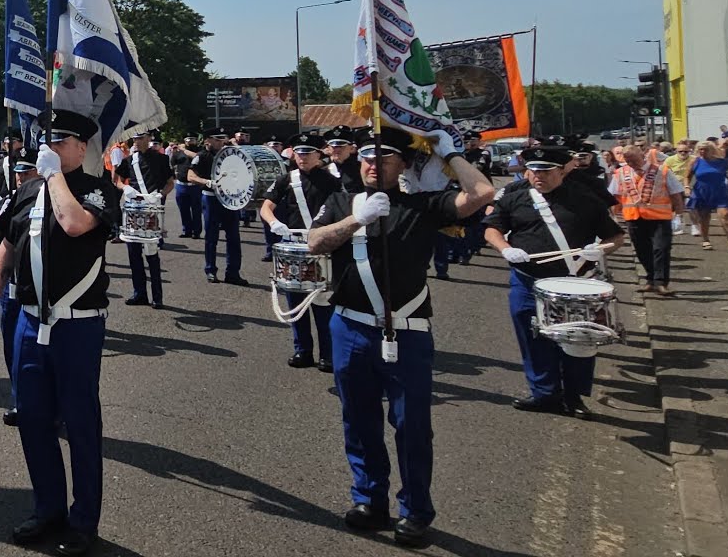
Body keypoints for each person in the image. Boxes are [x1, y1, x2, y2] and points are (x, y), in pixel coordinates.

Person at [307, 126, 494, 547]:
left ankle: (415, 510)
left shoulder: (424, 205)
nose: (373, 163)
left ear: (404, 164)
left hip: (406, 332)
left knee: (411, 426)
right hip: (349, 325)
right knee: (358, 419)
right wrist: (359, 218)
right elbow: (315, 242)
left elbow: (481, 194)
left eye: (385, 156)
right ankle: (370, 499)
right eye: (368, 157)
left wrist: (451, 155)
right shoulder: (341, 201)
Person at [0, 110, 122, 556]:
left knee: (80, 424)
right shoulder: (27, 190)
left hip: (76, 324)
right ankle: (48, 509)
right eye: (48, 141)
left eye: (61, 142)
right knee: (33, 420)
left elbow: (74, 223)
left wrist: (53, 177)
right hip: (26, 319)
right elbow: (4, 240)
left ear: (82, 148)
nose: (50, 149)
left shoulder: (99, 190)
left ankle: (84, 522)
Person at [483, 144, 626, 418]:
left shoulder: (584, 198)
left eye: (547, 171)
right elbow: (492, 229)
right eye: (534, 170)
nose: (539, 176)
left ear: (562, 171)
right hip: (528, 280)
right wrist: (505, 249)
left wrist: (601, 249)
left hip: (574, 282)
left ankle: (574, 397)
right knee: (532, 337)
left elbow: (615, 237)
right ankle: (544, 393)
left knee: (578, 339)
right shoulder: (514, 198)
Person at [262, 132, 341, 370]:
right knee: (295, 299)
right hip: (295, 244)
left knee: (322, 302)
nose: (302, 157)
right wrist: (274, 223)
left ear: (319, 154)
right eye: (299, 152)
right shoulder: (286, 179)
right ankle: (303, 350)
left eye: (308, 153)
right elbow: (266, 206)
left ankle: (328, 354)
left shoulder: (331, 181)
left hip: (321, 244)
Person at [0, 149, 40, 426]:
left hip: (43, 287)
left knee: (41, 353)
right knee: (13, 351)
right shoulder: (11, 201)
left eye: (27, 172)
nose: (21, 178)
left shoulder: (50, 199)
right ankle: (20, 401)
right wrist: (2, 211)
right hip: (13, 287)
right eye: (18, 173)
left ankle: (54, 407)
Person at [610, 145, 685, 294]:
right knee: (642, 250)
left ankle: (661, 282)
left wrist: (679, 214)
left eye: (634, 159)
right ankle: (651, 278)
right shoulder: (620, 173)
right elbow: (614, 196)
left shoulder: (661, 171)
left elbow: (676, 193)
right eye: (628, 160)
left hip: (659, 217)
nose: (631, 163)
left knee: (661, 249)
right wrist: (614, 216)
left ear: (642, 156)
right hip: (633, 217)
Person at [115, 130, 174, 308]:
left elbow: (170, 182)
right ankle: (139, 293)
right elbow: (117, 179)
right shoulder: (129, 160)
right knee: (133, 254)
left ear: (149, 138)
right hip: (134, 209)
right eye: (135, 139)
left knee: (152, 253)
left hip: (152, 208)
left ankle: (157, 296)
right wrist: (125, 189)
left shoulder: (161, 159)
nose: (137, 142)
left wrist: (161, 194)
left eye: (140, 138)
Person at [187, 126, 248, 285]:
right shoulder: (202, 156)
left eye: (223, 138)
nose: (222, 141)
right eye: (217, 139)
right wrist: (207, 182)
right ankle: (210, 270)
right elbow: (191, 176)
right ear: (208, 140)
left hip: (230, 198)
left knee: (234, 237)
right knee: (211, 237)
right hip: (211, 198)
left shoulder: (232, 154)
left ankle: (233, 273)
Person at [687, 141, 728, 251]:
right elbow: (687, 176)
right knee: (704, 217)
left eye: (705, 149)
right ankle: (705, 240)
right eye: (700, 149)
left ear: (712, 150)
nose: (702, 152)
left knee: (726, 214)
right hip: (702, 191)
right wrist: (686, 187)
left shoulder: (722, 162)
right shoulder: (695, 161)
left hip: (720, 190)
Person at [171, 134, 202, 239]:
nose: (190, 141)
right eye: (188, 139)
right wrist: (173, 153)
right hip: (182, 185)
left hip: (195, 185)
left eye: (192, 139)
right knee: (183, 209)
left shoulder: (200, 151)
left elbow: (197, 157)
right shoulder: (179, 152)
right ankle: (186, 230)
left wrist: (183, 150)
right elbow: (172, 163)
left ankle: (196, 231)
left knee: (196, 209)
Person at [0, 129, 26, 203]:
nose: (8, 146)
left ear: (22, 143)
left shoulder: (27, 162)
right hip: (3, 202)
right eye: (6, 143)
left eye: (12, 143)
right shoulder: (1, 163)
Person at [322, 125, 363, 194]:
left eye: (341, 146)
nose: (337, 150)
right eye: (334, 147)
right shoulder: (324, 170)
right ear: (328, 148)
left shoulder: (360, 169)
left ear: (351, 148)